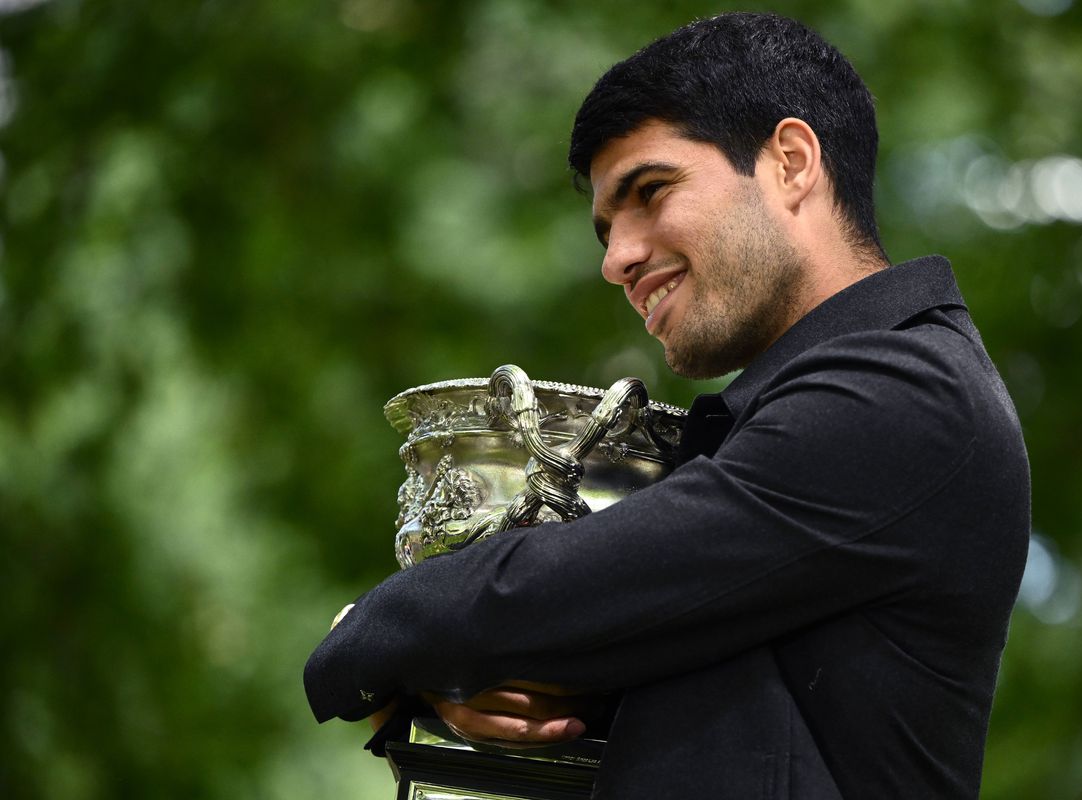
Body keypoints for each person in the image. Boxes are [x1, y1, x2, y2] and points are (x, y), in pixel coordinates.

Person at [304, 12, 1030, 799]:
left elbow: (568, 591)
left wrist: (372, 633)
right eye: (606, 229)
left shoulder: (906, 392)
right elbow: (658, 655)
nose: (617, 259)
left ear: (791, 162)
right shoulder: (819, 415)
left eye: (650, 191)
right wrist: (490, 683)